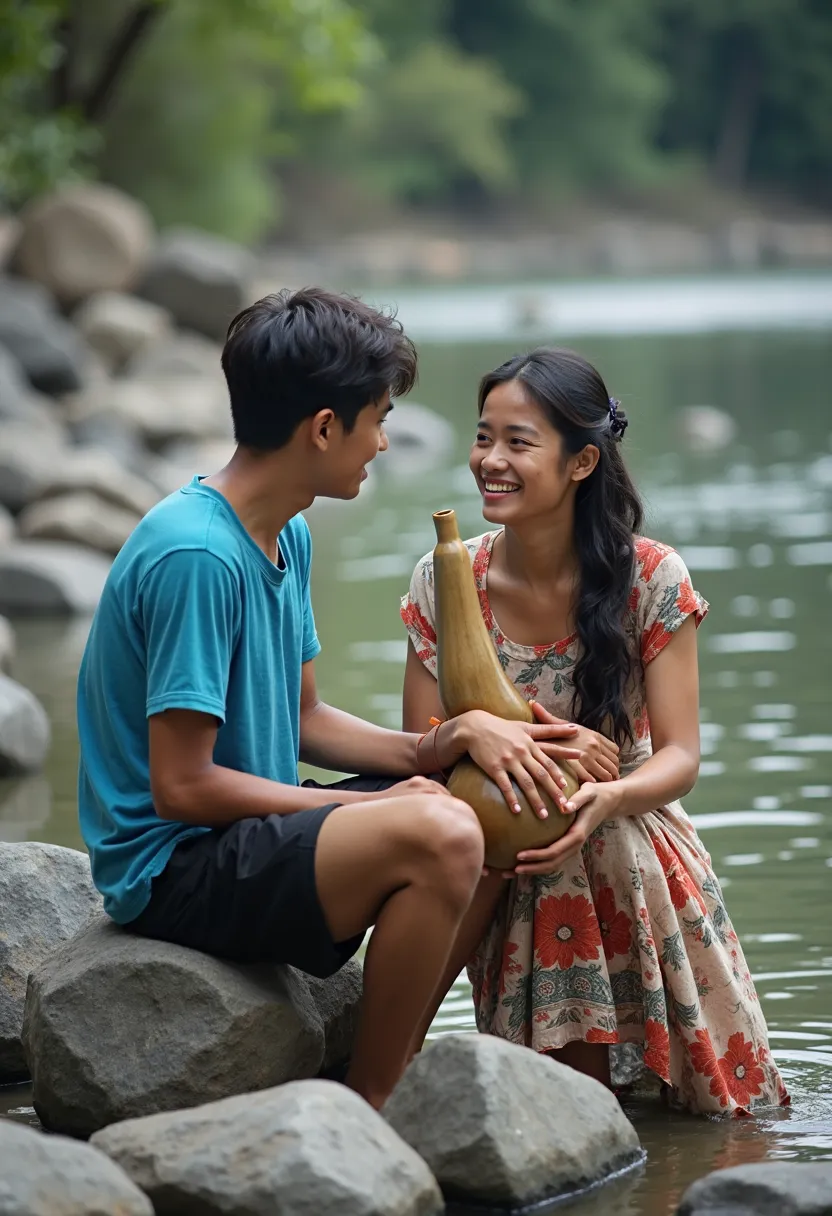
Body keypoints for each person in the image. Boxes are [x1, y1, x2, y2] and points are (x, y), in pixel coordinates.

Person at [75, 289, 593, 1112]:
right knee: (441, 830)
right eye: (377, 419)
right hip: (174, 869)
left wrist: (445, 745)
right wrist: (345, 817)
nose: (383, 443)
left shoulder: (285, 529)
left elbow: (307, 717)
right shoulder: (197, 556)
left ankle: (393, 1051)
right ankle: (375, 1101)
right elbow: (181, 788)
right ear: (323, 427)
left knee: (489, 802)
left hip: (241, 834)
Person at [401, 347, 790, 1115]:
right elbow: (424, 756)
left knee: (721, 1127)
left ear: (582, 461)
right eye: (484, 438)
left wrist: (605, 795)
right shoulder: (445, 578)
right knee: (562, 1129)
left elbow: (680, 758)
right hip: (507, 864)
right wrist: (528, 748)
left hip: (630, 845)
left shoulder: (652, 576)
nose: (490, 461)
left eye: (518, 442)